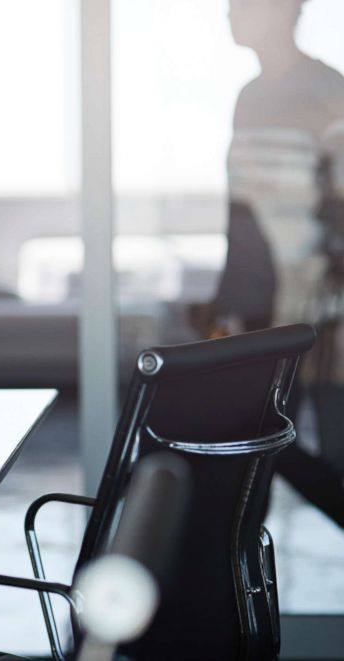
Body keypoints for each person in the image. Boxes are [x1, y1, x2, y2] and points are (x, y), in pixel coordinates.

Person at [213, 0, 344, 526]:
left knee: (334, 457)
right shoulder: (249, 97)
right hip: (267, 314)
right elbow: (241, 218)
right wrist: (230, 310)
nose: (227, 15)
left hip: (330, 318)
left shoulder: (328, 91)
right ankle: (238, 600)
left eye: (239, 5)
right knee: (252, 459)